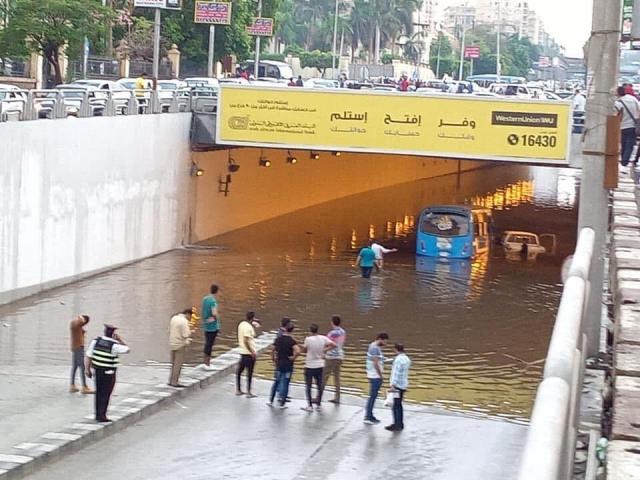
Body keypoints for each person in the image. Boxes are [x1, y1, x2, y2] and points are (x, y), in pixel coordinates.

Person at [85, 325, 130, 423]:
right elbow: (127, 349)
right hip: (109, 373)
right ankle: (102, 416)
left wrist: (87, 370)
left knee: (99, 393)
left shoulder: (96, 341)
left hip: (97, 371)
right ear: (113, 334)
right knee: (106, 394)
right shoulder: (114, 345)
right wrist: (120, 339)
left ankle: (97, 414)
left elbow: (88, 355)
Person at [300, 324, 336, 412]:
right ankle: (319, 404)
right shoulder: (323, 338)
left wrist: (299, 345)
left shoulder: (308, 339)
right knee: (319, 385)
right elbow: (334, 344)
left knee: (308, 386)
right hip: (320, 365)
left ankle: (310, 406)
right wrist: (324, 350)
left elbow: (305, 350)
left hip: (309, 365)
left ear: (310, 330)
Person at [268, 322, 300, 408]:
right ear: (292, 331)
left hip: (279, 363)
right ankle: (282, 402)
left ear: (285, 329)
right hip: (288, 364)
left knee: (276, 381)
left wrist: (273, 358)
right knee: (285, 383)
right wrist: (293, 357)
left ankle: (271, 400)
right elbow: (298, 351)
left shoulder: (278, 339)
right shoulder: (291, 341)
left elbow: (272, 349)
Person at [364, 332, 389, 425]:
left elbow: (377, 359)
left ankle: (370, 415)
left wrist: (384, 359)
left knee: (373, 396)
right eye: (385, 341)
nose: (385, 344)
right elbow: (375, 363)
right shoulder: (374, 348)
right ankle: (368, 416)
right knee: (372, 396)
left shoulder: (374, 346)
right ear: (380, 339)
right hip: (375, 376)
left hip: (374, 375)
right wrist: (380, 375)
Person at [386, 343, 411, 431]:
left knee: (395, 405)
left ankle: (396, 424)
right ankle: (400, 423)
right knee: (399, 404)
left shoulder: (398, 360)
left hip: (397, 386)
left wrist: (393, 385)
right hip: (403, 385)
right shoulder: (407, 359)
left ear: (396, 349)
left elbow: (396, 373)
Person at [322, 315, 346, 404]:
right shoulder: (343, 332)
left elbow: (328, 344)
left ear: (332, 322)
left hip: (331, 357)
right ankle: (337, 397)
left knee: (324, 377)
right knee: (337, 377)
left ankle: (319, 396)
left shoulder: (332, 333)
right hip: (340, 356)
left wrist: (324, 351)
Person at [236, 311, 261, 397]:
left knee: (239, 371)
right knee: (249, 373)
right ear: (253, 318)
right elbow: (246, 340)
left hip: (242, 352)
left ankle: (238, 389)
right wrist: (252, 352)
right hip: (249, 353)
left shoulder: (241, 324)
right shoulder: (248, 328)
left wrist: (254, 323)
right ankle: (249, 391)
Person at [615, 85, 640, 167]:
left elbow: (616, 114)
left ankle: (623, 160)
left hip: (623, 126)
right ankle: (625, 160)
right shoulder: (633, 99)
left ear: (618, 93)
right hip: (633, 126)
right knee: (630, 144)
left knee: (624, 143)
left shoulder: (618, 102)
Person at [69, 314, 94, 394]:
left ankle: (72, 385)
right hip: (78, 348)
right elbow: (81, 321)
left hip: (75, 348)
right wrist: (80, 316)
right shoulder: (77, 324)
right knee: (82, 367)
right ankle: (84, 387)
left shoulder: (75, 325)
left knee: (75, 366)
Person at [168, 309, 193, 387]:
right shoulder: (184, 321)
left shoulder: (174, 318)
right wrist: (191, 332)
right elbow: (185, 334)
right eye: (190, 317)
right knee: (178, 364)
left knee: (173, 363)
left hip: (172, 343)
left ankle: (170, 380)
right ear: (188, 314)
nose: (190, 319)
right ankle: (175, 382)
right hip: (180, 345)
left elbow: (169, 330)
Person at [201, 284, 220, 371]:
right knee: (210, 344)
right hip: (212, 327)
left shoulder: (205, 299)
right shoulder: (213, 301)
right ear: (217, 291)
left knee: (206, 343)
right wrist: (215, 319)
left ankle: (205, 361)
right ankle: (207, 364)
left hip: (206, 325)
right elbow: (214, 313)